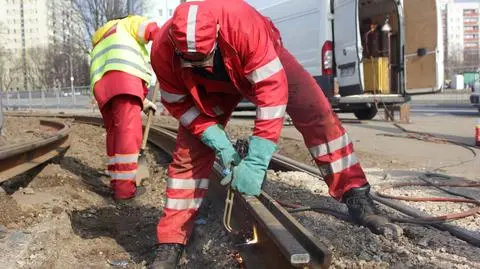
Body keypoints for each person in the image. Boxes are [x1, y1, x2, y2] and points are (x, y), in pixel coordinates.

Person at [149, 1, 393, 267]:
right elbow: (177, 102)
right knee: (188, 155)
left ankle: (355, 193)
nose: (202, 65)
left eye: (205, 58)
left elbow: (272, 96)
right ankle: (171, 239)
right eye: (192, 60)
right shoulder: (162, 50)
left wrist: (256, 161)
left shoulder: (244, 27)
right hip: (205, 89)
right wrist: (214, 138)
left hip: (261, 56)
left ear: (218, 35)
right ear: (175, 46)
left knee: (317, 113)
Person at [89, 15, 159, 200]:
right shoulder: (128, 23)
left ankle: (116, 182)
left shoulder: (101, 38)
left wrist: (143, 102)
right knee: (128, 134)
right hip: (125, 82)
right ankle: (124, 191)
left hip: (103, 90)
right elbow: (153, 30)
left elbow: (113, 71)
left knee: (115, 133)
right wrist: (168, 48)